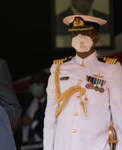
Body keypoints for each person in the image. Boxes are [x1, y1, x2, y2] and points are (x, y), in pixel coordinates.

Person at [44, 15, 122, 150]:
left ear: (96, 37)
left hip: (96, 145)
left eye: (86, 33)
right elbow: (51, 114)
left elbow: (119, 113)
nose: (79, 37)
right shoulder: (59, 68)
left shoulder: (111, 68)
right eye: (75, 33)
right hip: (63, 145)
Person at [20, 72, 48, 147]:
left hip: (42, 145)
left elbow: (48, 131)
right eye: (32, 83)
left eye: (38, 82)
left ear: (46, 84)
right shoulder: (28, 102)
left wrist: (31, 123)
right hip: (25, 145)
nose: (34, 85)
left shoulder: (51, 104)